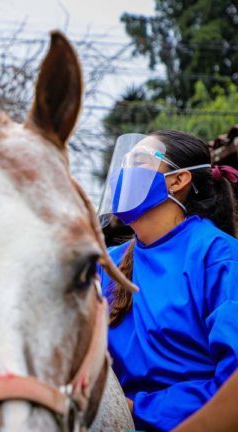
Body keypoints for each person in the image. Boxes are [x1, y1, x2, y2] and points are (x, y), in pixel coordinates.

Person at [97, 130, 238, 431]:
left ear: (177, 180)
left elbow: (232, 386)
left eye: (138, 161)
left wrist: (137, 408)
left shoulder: (217, 255)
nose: (124, 173)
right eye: (123, 163)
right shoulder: (106, 263)